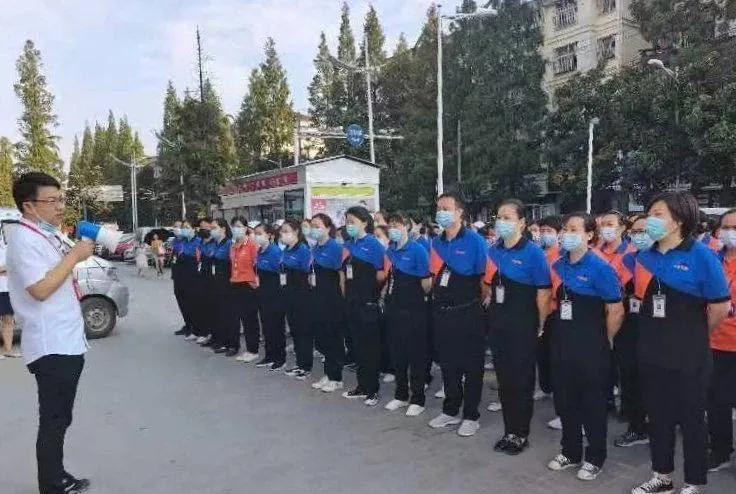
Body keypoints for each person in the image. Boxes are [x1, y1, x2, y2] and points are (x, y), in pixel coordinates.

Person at [631, 192, 730, 494]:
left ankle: (694, 481)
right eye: (650, 213)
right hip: (652, 349)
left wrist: (695, 335)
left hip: (689, 354)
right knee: (658, 416)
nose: (650, 220)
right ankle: (661, 476)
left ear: (678, 221)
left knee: (691, 420)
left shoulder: (701, 256)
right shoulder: (645, 254)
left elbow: (719, 307)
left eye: (658, 214)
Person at [6, 172, 94, 493]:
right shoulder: (23, 239)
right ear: (29, 206)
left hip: (65, 340)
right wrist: (74, 256)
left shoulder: (44, 233)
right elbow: (40, 289)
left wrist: (75, 251)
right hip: (51, 344)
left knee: (60, 417)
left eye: (61, 199)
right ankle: (52, 485)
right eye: (52, 200)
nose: (60, 207)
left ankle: (56, 475)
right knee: (54, 420)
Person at [546, 212, 624, 481]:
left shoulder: (600, 267)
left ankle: (595, 457)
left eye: (573, 229)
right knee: (565, 400)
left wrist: (606, 340)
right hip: (562, 341)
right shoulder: (558, 264)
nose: (566, 234)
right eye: (565, 229)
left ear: (590, 235)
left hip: (591, 346)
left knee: (592, 404)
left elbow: (615, 310)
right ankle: (570, 451)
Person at [485, 199, 552, 450]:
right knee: (505, 381)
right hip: (498, 324)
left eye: (507, 218)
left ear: (522, 223)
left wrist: (541, 324)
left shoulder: (533, 253)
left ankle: (520, 433)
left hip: (523, 325)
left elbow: (543, 292)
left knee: (521, 380)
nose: (501, 222)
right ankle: (509, 430)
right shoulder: (494, 250)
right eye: (499, 217)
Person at [427, 194, 487, 436]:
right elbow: (433, 277)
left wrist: (475, 305)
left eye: (446, 208)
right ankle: (450, 410)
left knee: (472, 365)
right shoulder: (436, 242)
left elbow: (484, 281)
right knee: (448, 364)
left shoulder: (475, 241)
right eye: (438, 208)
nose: (441, 212)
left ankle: (471, 415)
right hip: (442, 313)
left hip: (468, 312)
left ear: (459, 212)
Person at [383, 213, 432, 416]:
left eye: (397, 225)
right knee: (398, 354)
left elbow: (426, 284)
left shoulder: (417, 250)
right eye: (390, 226)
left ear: (406, 227)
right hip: (394, 308)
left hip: (414, 309)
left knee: (416, 355)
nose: (393, 229)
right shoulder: (390, 250)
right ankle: (401, 395)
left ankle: (417, 399)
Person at [341, 206, 386, 406]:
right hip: (352, 303)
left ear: (365, 223)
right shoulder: (348, 245)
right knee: (357, 347)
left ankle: (372, 389)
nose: (348, 225)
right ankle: (361, 385)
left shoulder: (374, 245)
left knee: (370, 349)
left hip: (368, 303)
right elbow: (343, 274)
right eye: (347, 221)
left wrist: (372, 295)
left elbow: (381, 275)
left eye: (352, 222)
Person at [614, 215, 651, 448]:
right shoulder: (629, 259)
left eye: (644, 231)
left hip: (660, 328)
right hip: (630, 325)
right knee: (630, 375)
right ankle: (636, 427)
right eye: (635, 232)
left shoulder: (668, 261)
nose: (639, 236)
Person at [706, 208, 736, 473]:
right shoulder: (712, 260)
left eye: (735, 228)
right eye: (726, 227)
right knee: (716, 401)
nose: (730, 232)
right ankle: (720, 450)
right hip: (714, 342)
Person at [308, 213, 346, 393]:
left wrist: (343, 299)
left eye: (318, 226)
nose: (313, 229)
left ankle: (336, 377)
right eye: (312, 226)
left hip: (332, 299)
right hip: (317, 298)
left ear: (328, 228)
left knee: (333, 337)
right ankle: (328, 372)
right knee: (322, 336)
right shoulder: (315, 248)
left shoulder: (335, 247)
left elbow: (341, 276)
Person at [280, 220, 313, 379]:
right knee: (295, 331)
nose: (283, 234)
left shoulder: (303, 250)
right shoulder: (286, 249)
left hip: (301, 296)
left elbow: (309, 274)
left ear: (296, 232)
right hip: (288, 296)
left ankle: (306, 366)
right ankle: (299, 364)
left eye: (286, 231)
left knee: (303, 332)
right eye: (282, 231)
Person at [537, 215, 562, 408]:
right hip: (538, 311)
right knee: (542, 353)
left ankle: (557, 390)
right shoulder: (538, 254)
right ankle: (545, 387)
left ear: (558, 233)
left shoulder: (561, 256)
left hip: (555, 312)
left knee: (555, 354)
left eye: (549, 231)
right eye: (542, 231)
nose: (545, 234)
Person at [254, 224, 287, 371]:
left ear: (269, 235)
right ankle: (269, 355)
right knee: (266, 325)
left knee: (276, 326)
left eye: (260, 233)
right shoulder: (259, 251)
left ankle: (280, 358)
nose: (257, 236)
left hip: (275, 293)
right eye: (255, 233)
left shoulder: (275, 252)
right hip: (263, 292)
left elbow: (281, 274)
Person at [229, 217, 260, 363]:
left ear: (246, 228)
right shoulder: (233, 245)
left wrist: (253, 282)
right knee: (241, 316)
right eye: (234, 226)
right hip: (235, 283)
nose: (236, 229)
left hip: (248, 285)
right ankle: (248, 348)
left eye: (239, 226)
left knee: (250, 319)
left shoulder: (252, 245)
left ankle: (253, 350)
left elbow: (257, 265)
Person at [209, 219, 235, 355]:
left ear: (223, 229)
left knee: (228, 314)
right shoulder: (214, 243)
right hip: (216, 281)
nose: (212, 230)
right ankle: (222, 341)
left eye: (214, 228)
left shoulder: (229, 244)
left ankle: (232, 344)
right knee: (219, 313)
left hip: (227, 282)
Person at [176, 222, 201, 340]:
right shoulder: (183, 241)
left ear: (193, 229)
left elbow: (198, 258)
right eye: (183, 228)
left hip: (193, 275)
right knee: (184, 302)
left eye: (187, 227)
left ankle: (196, 328)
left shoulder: (198, 241)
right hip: (182, 274)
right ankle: (188, 325)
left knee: (193, 303)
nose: (184, 229)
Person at [194, 218, 216, 346]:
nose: (203, 229)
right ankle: (206, 332)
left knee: (213, 307)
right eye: (201, 227)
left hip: (213, 278)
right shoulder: (201, 242)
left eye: (205, 227)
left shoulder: (216, 242)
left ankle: (213, 334)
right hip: (202, 276)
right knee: (204, 306)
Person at [0, 222, 20, 359]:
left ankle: (8, 350)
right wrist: (6, 268)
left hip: (7, 288)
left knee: (8, 319)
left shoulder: (7, 247)